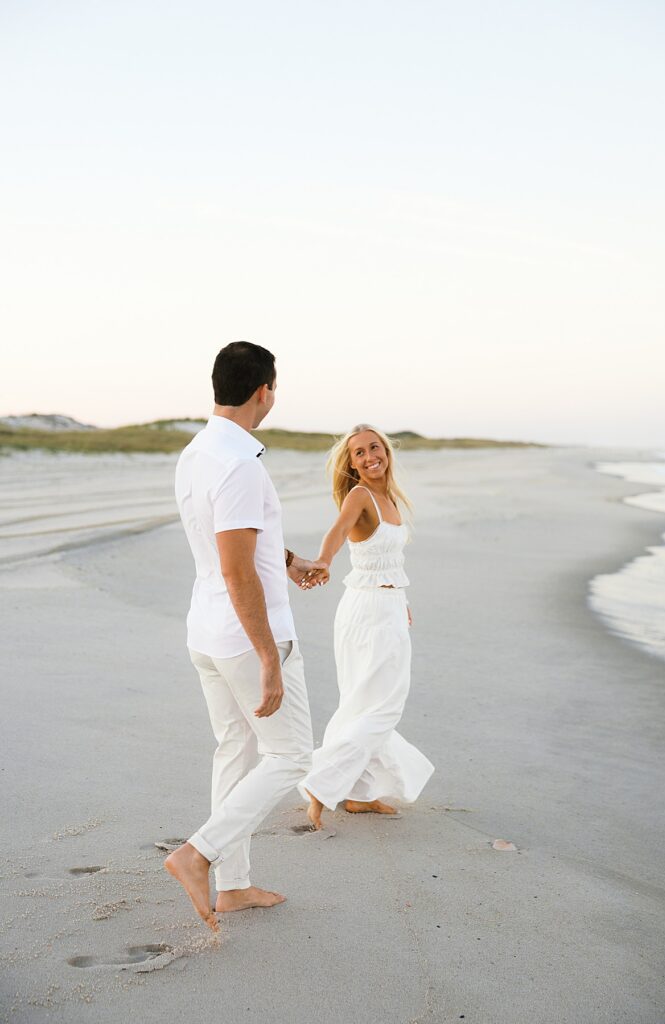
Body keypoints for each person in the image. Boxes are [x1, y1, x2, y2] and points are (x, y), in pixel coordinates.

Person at [165, 341, 324, 931]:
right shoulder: (240, 463)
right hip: (243, 636)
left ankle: (232, 886)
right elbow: (234, 567)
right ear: (265, 390)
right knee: (291, 755)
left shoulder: (197, 452)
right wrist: (268, 656)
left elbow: (233, 544)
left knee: (236, 749)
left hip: (205, 630)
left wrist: (287, 560)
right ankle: (198, 855)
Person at [298, 424, 434, 831]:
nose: (369, 455)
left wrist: (401, 601)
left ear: (386, 452)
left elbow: (391, 562)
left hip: (386, 605)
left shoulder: (388, 497)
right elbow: (337, 532)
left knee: (362, 703)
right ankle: (323, 784)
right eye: (359, 452)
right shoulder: (360, 495)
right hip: (369, 609)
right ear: (351, 463)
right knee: (383, 705)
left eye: (375, 447)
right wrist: (323, 561)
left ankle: (359, 794)